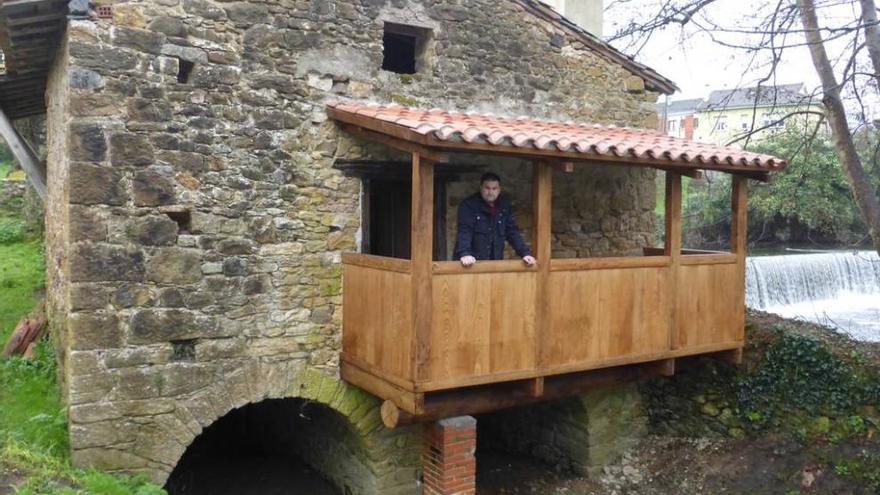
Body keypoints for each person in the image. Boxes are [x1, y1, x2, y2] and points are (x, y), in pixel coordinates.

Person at [453, 172, 537, 267]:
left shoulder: (504, 206)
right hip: (471, 263)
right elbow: (465, 230)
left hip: (495, 262)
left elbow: (512, 232)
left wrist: (525, 253)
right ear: (481, 188)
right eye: (487, 188)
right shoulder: (469, 205)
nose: (490, 192)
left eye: (494, 188)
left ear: (499, 189)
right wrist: (465, 253)